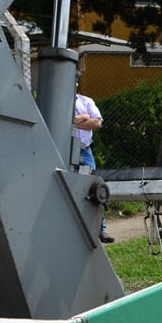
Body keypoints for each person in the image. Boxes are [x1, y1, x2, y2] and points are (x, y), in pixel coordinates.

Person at [74, 89, 114, 243]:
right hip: (63, 150)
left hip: (84, 151)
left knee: (95, 187)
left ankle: (100, 230)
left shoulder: (86, 101)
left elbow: (97, 122)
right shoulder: (58, 101)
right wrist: (84, 118)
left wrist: (75, 121)